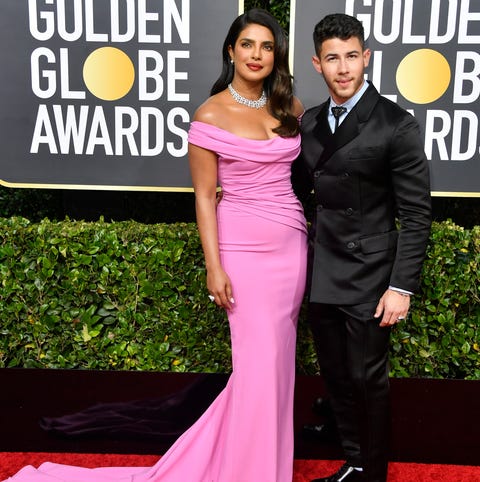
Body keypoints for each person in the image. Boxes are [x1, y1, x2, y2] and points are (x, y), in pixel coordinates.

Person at [4, 8, 307, 482]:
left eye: (267, 47)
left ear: (277, 56)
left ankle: (261, 467)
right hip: (242, 252)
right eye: (247, 44)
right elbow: (205, 196)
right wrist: (215, 265)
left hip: (291, 249)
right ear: (230, 50)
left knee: (277, 370)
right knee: (256, 370)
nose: (257, 54)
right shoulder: (209, 114)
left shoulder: (290, 108)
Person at [291, 13, 432, 482]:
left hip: (372, 277)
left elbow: (416, 215)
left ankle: (371, 474)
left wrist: (401, 287)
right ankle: (352, 461)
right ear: (317, 63)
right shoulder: (309, 123)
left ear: (366, 57)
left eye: (352, 56)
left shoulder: (396, 124)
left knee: (368, 381)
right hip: (323, 270)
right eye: (333, 58)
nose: (344, 67)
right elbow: (296, 192)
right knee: (336, 376)